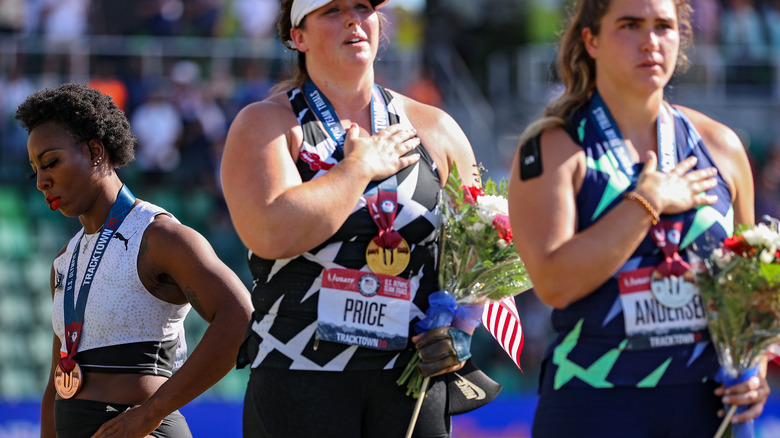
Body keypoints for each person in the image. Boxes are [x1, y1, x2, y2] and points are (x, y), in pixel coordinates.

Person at [506, 0, 768, 436]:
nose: (650, 42)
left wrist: (755, 365)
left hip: (709, 405)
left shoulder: (721, 145)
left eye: (663, 26)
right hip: (595, 401)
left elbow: (752, 288)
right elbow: (553, 282)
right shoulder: (555, 146)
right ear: (591, 40)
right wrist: (646, 202)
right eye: (630, 25)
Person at [219, 0, 480, 436]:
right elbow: (271, 232)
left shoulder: (435, 127)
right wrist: (357, 169)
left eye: (362, 6)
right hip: (300, 374)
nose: (353, 19)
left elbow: (486, 245)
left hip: (411, 381)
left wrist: (464, 324)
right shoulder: (266, 124)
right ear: (296, 36)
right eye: (332, 9)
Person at [16, 82, 253, 438]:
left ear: (96, 151)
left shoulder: (161, 236)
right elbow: (56, 383)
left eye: (51, 162)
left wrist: (151, 413)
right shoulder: (63, 261)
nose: (42, 182)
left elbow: (240, 317)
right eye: (35, 170)